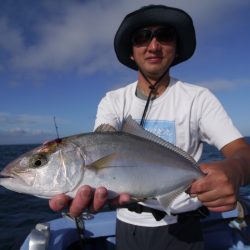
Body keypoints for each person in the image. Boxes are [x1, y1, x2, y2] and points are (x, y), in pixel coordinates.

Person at [49, 5, 250, 250]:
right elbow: (101, 144)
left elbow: (242, 153)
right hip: (128, 223)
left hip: (183, 228)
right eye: (141, 37)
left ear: (175, 50)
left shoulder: (199, 98)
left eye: (165, 36)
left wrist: (235, 169)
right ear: (132, 53)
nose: (153, 46)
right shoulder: (114, 100)